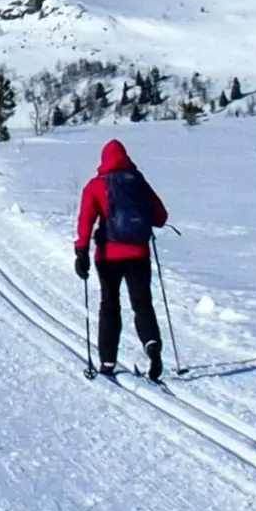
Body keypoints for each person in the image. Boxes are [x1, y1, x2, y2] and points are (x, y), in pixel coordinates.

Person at [73, 139, 169, 380]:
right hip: (139, 253)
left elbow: (86, 219)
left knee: (109, 304)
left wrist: (81, 251)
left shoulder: (95, 185)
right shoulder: (138, 182)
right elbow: (161, 216)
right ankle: (152, 344)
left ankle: (107, 360)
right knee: (142, 303)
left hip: (108, 256)